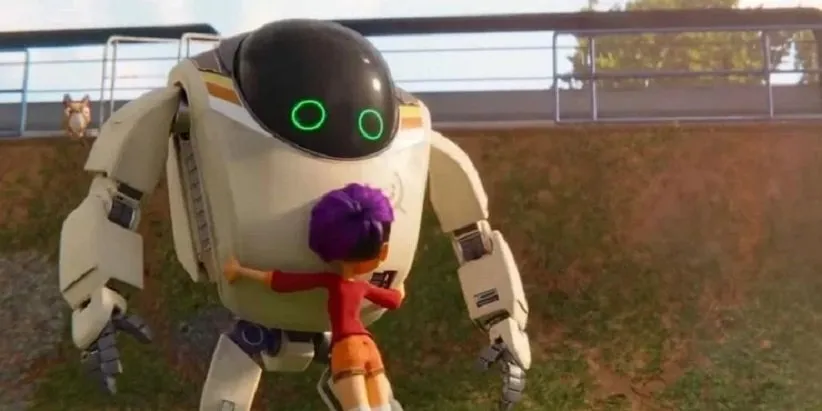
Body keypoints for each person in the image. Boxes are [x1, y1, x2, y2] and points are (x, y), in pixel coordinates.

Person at [223, 183, 404, 411]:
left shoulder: (331, 282)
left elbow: (283, 281)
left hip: (347, 347)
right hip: (368, 346)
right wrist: (401, 274)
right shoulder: (362, 287)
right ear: (383, 251)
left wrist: (241, 271)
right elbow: (395, 298)